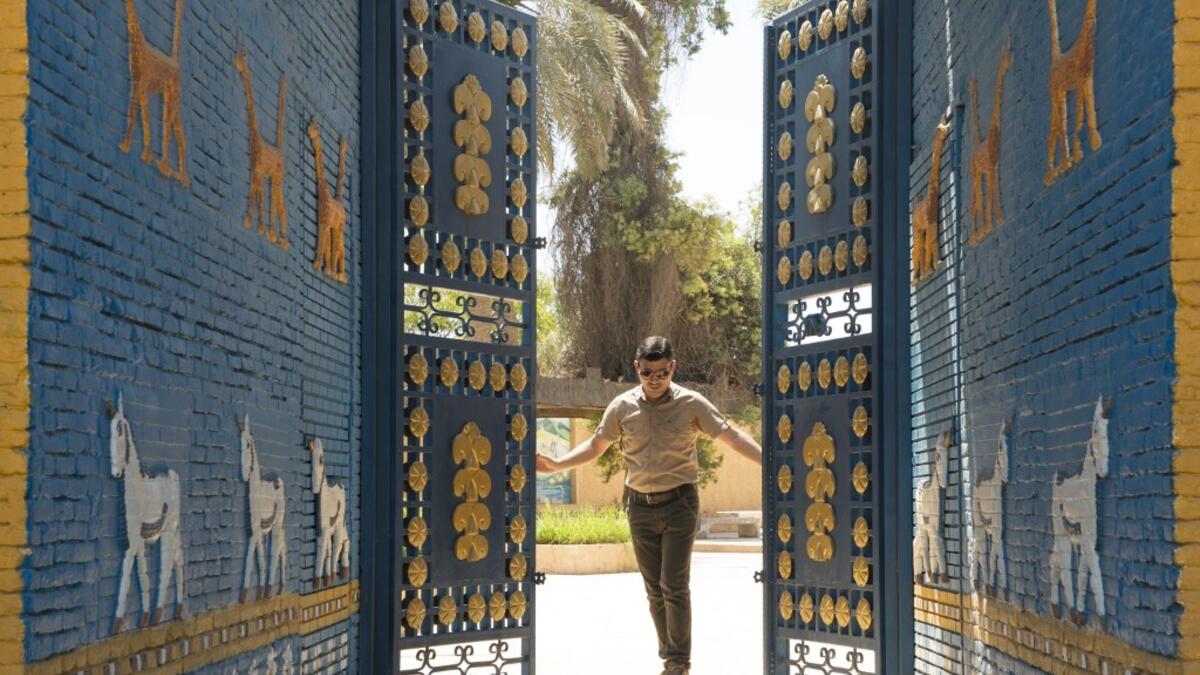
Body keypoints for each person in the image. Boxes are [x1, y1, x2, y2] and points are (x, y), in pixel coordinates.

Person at [535, 336, 763, 675]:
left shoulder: (692, 403)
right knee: (653, 588)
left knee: (673, 583)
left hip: (680, 503)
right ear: (636, 368)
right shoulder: (622, 406)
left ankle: (678, 662)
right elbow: (597, 445)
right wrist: (556, 466)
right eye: (647, 373)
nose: (654, 380)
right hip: (639, 507)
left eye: (661, 372)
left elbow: (731, 435)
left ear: (673, 367)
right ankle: (669, 653)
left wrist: (770, 461)